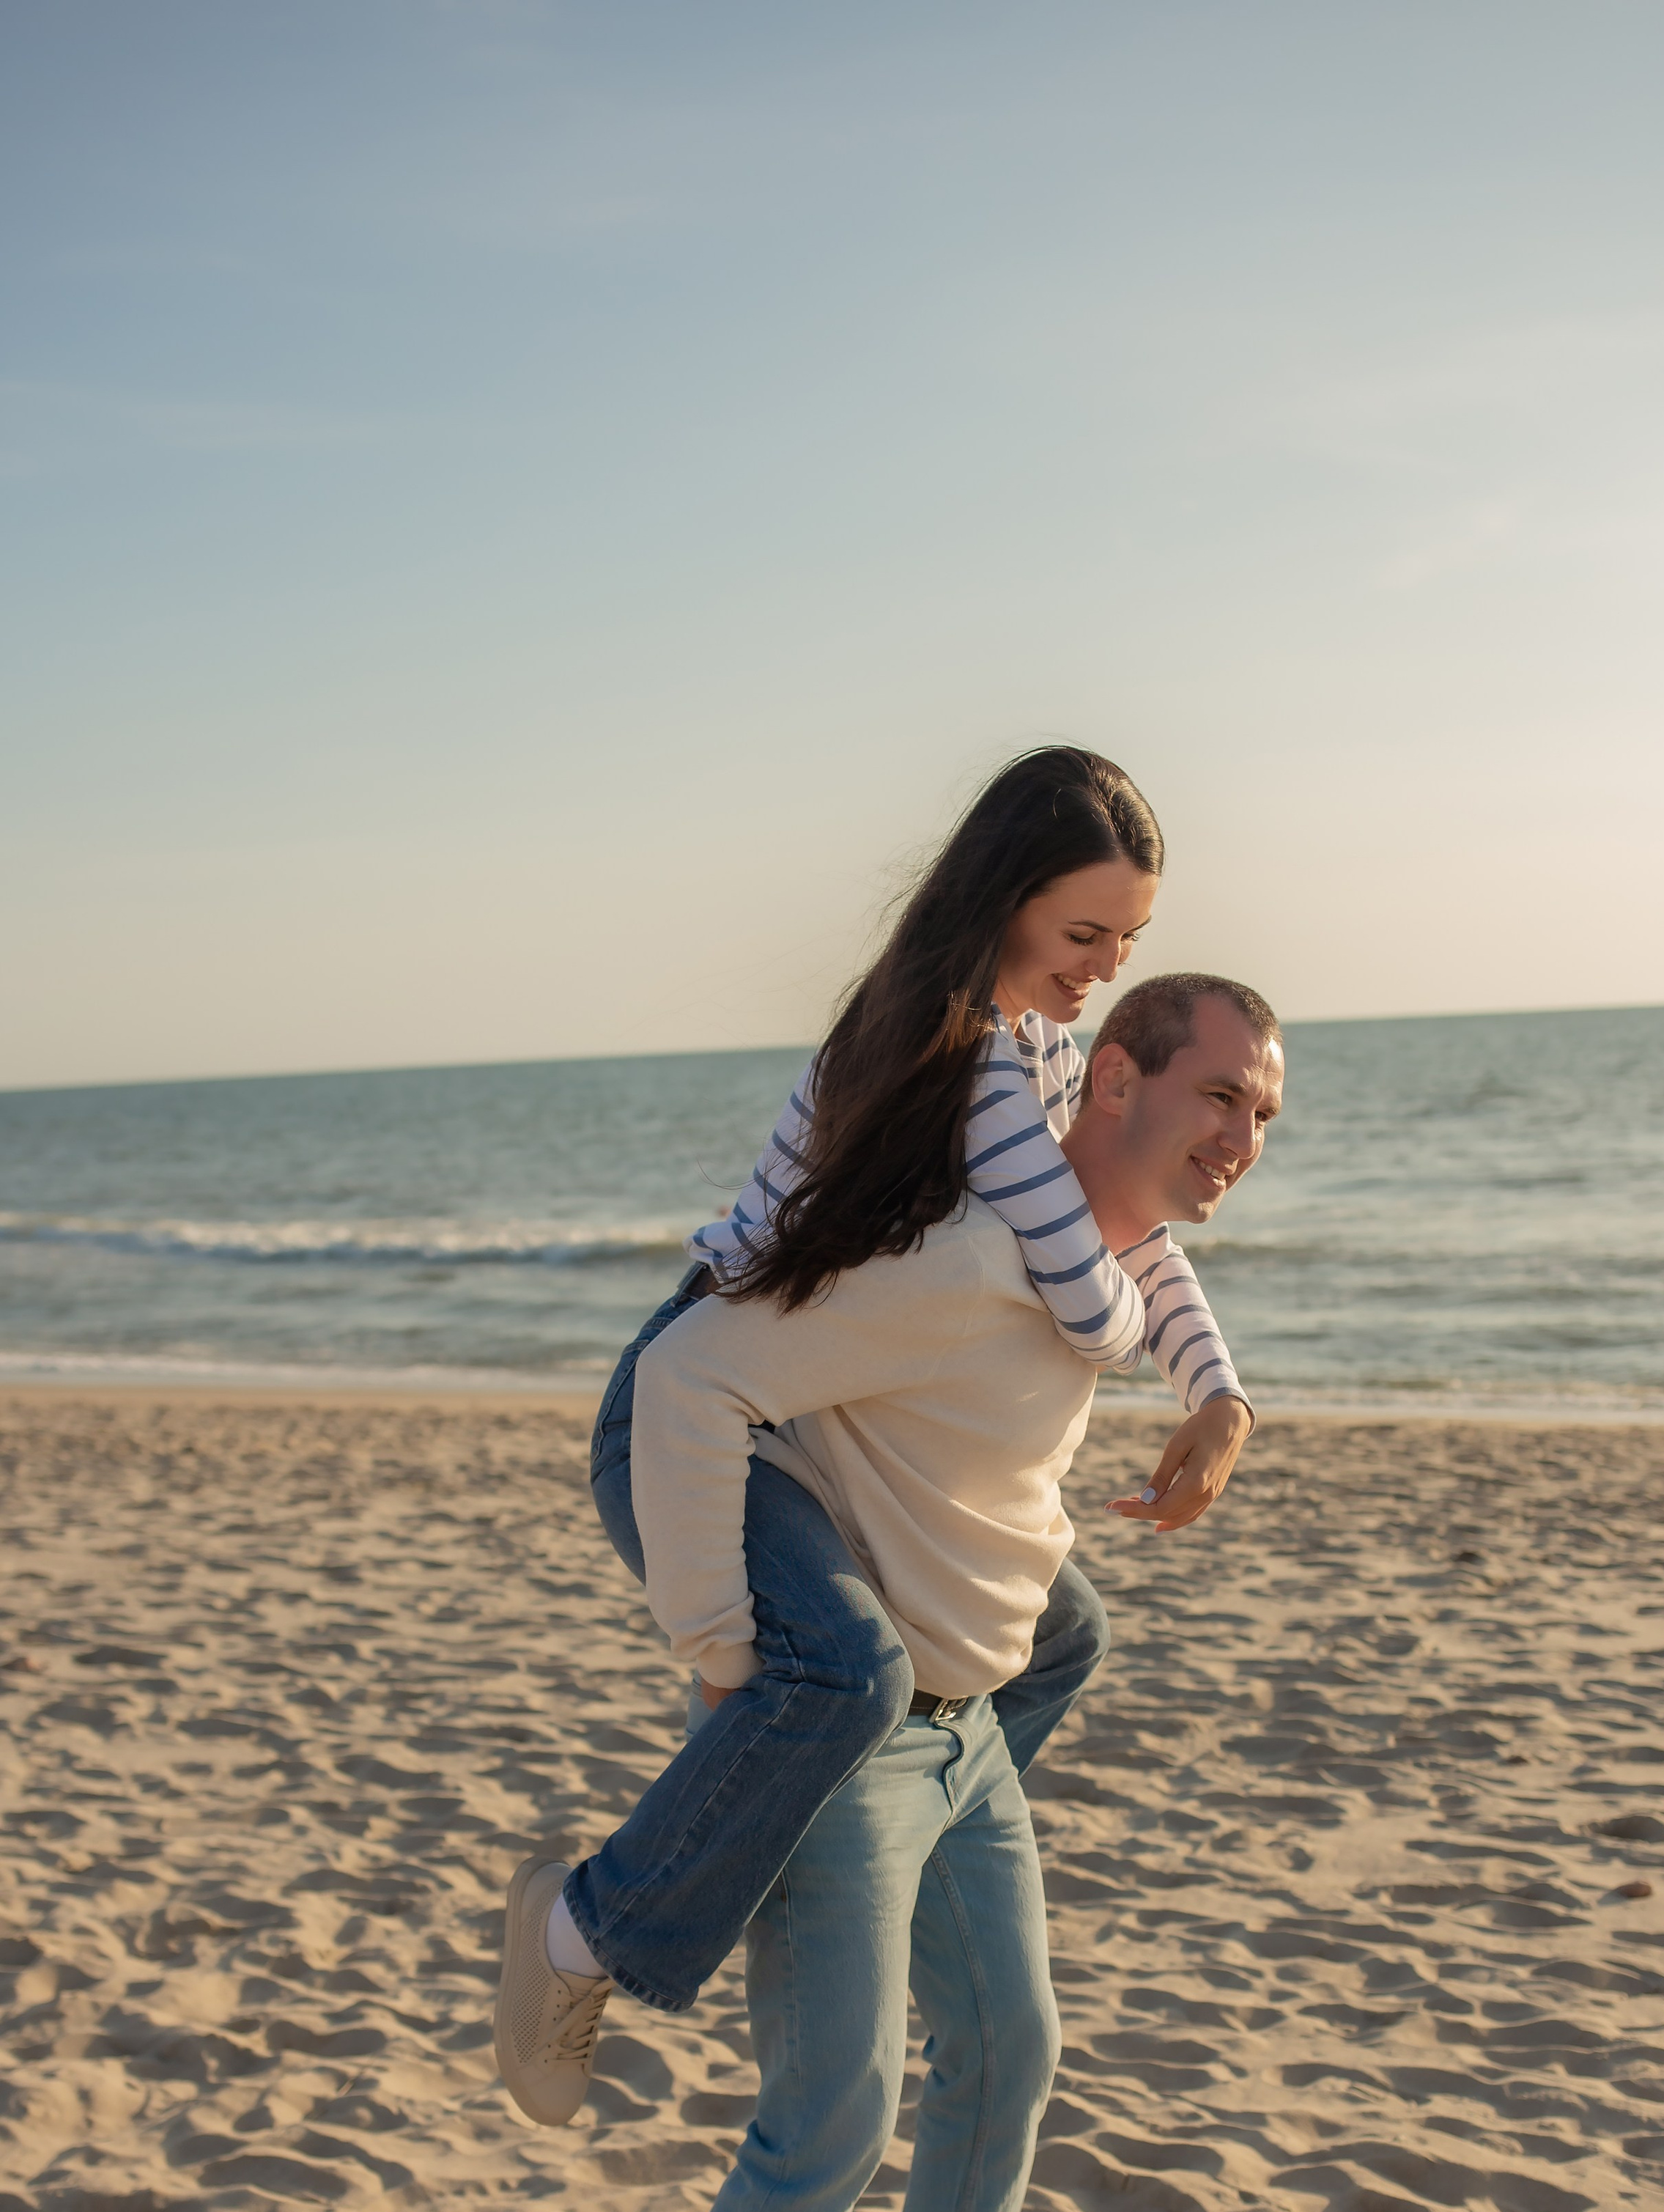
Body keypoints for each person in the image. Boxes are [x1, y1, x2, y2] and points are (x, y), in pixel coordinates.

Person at [495, 972, 1285, 2212]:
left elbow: (1155, 1287)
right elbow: (692, 1375)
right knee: (832, 2113)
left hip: (966, 1730)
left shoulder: (1106, 1263)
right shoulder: (963, 1256)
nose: (1241, 1138)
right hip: (844, 1737)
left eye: (1264, 1113)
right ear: (1113, 1073)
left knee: (1011, 2045)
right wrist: (721, 1657)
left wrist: (1216, 1399)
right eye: (1219, 1096)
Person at [494, 753, 1258, 2108]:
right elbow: (1094, 1285)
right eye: (1082, 934)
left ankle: (884, 1839)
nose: (1099, 967)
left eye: (1126, 943)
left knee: (1061, 1629)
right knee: (840, 1670)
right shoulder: (958, 1051)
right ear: (1003, 897)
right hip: (705, 1385)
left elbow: (1126, 1243)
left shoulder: (1045, 1046)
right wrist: (723, 1657)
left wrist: (1218, 1391)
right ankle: (582, 1929)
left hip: (814, 1387)